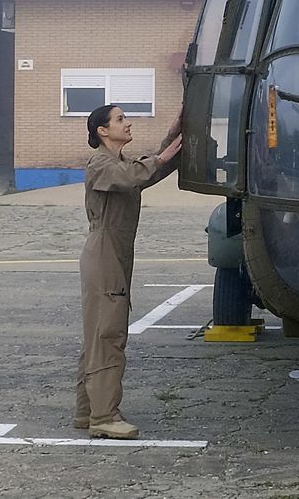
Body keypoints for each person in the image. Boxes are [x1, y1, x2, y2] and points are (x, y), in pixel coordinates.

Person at [75, 104, 183, 439]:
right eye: (120, 119)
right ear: (102, 131)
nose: (128, 123)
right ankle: (104, 416)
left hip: (115, 253)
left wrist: (176, 132)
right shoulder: (101, 164)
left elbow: (148, 170)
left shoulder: (121, 163)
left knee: (99, 334)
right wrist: (161, 158)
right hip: (104, 253)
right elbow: (134, 175)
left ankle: (87, 411)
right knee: (108, 335)